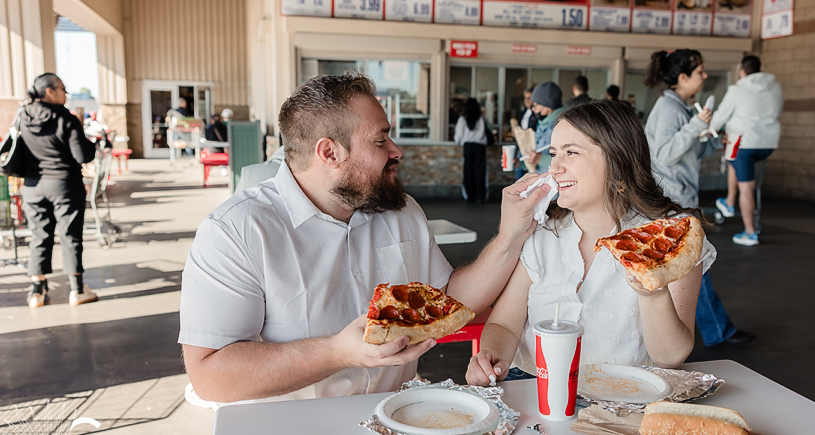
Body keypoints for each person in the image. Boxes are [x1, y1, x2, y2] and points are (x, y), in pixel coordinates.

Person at [179, 72, 549, 406]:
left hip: (393, 418)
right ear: (329, 152)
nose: (396, 151)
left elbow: (448, 300)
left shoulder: (400, 209)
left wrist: (509, 236)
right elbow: (210, 376)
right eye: (380, 140)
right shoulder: (237, 231)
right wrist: (336, 352)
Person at [466, 100, 713, 385]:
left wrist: (651, 291)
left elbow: (670, 357)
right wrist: (492, 357)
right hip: (534, 387)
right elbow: (503, 324)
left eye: (571, 152)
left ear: (618, 159)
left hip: (624, 396)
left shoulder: (671, 237)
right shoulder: (542, 232)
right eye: (553, 153)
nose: (555, 167)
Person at [643, 49, 754, 348]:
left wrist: (716, 143)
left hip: (676, 200)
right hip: (672, 203)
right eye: (700, 71)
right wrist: (697, 125)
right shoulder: (669, 109)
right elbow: (665, 153)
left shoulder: (680, 106)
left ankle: (709, 330)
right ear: (683, 77)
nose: (705, 76)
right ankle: (712, 331)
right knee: (694, 266)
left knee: (690, 267)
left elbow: (687, 151)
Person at [19, 73, 98, 308]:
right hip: (64, 184)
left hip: (33, 186)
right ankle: (76, 290)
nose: (66, 93)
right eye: (63, 88)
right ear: (50, 91)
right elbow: (82, 155)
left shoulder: (23, 115)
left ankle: (37, 292)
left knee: (39, 235)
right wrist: (92, 145)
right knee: (70, 235)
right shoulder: (66, 118)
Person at [710, 55, 783, 246]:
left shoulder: (737, 89)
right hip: (767, 143)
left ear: (743, 72)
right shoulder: (775, 87)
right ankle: (729, 201)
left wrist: (709, 128)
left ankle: (750, 232)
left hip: (744, 143)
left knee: (747, 188)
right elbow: (778, 109)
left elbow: (721, 114)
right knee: (732, 156)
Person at [524, 81, 564, 174]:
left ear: (548, 105)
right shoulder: (543, 123)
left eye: (535, 105)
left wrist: (541, 159)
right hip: (539, 179)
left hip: (554, 183)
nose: (533, 108)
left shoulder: (562, 126)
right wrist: (519, 163)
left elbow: (568, 159)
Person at [454, 98, 489, 203]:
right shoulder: (482, 118)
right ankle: (481, 196)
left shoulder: (463, 119)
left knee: (468, 170)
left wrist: (460, 143)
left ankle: (470, 196)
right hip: (480, 147)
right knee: (481, 171)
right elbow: (488, 132)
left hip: (468, 146)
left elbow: (458, 137)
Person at [514, 86, 539, 181]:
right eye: (525, 98)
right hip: (521, 147)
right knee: (519, 173)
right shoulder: (523, 112)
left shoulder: (537, 114)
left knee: (531, 174)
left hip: (532, 147)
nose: (527, 100)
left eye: (529, 97)